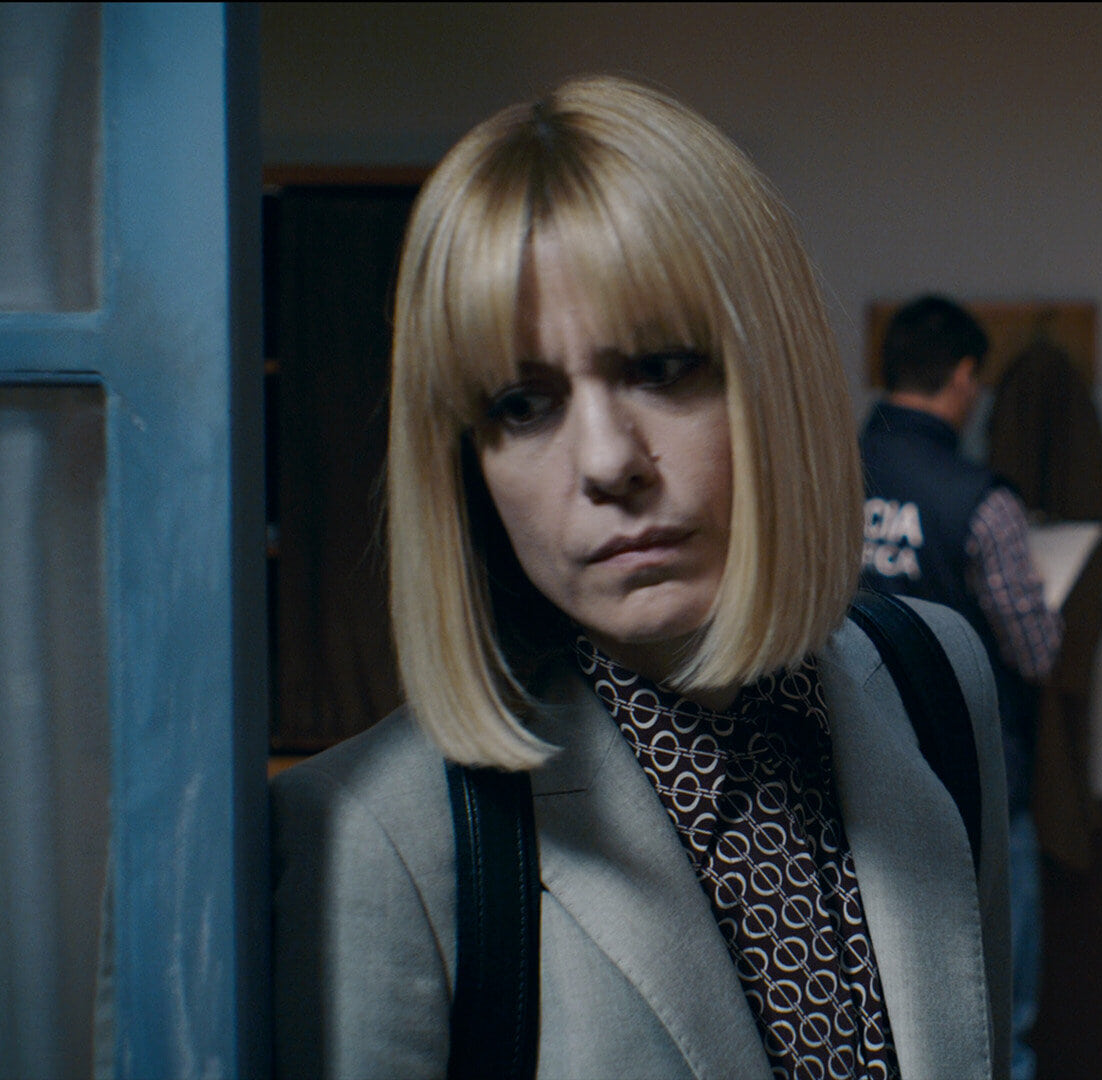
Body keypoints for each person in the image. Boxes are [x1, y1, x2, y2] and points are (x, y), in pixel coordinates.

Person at [271, 76, 1010, 1079]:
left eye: (662, 368)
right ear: (465, 463)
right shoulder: (373, 839)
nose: (608, 460)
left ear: (776, 375)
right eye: (522, 404)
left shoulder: (935, 679)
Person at [858, 297, 1061, 1080]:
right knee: (998, 1028)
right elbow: (1035, 651)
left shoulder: (817, 481)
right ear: (966, 377)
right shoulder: (981, 501)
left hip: (843, 781)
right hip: (973, 785)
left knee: (871, 1022)